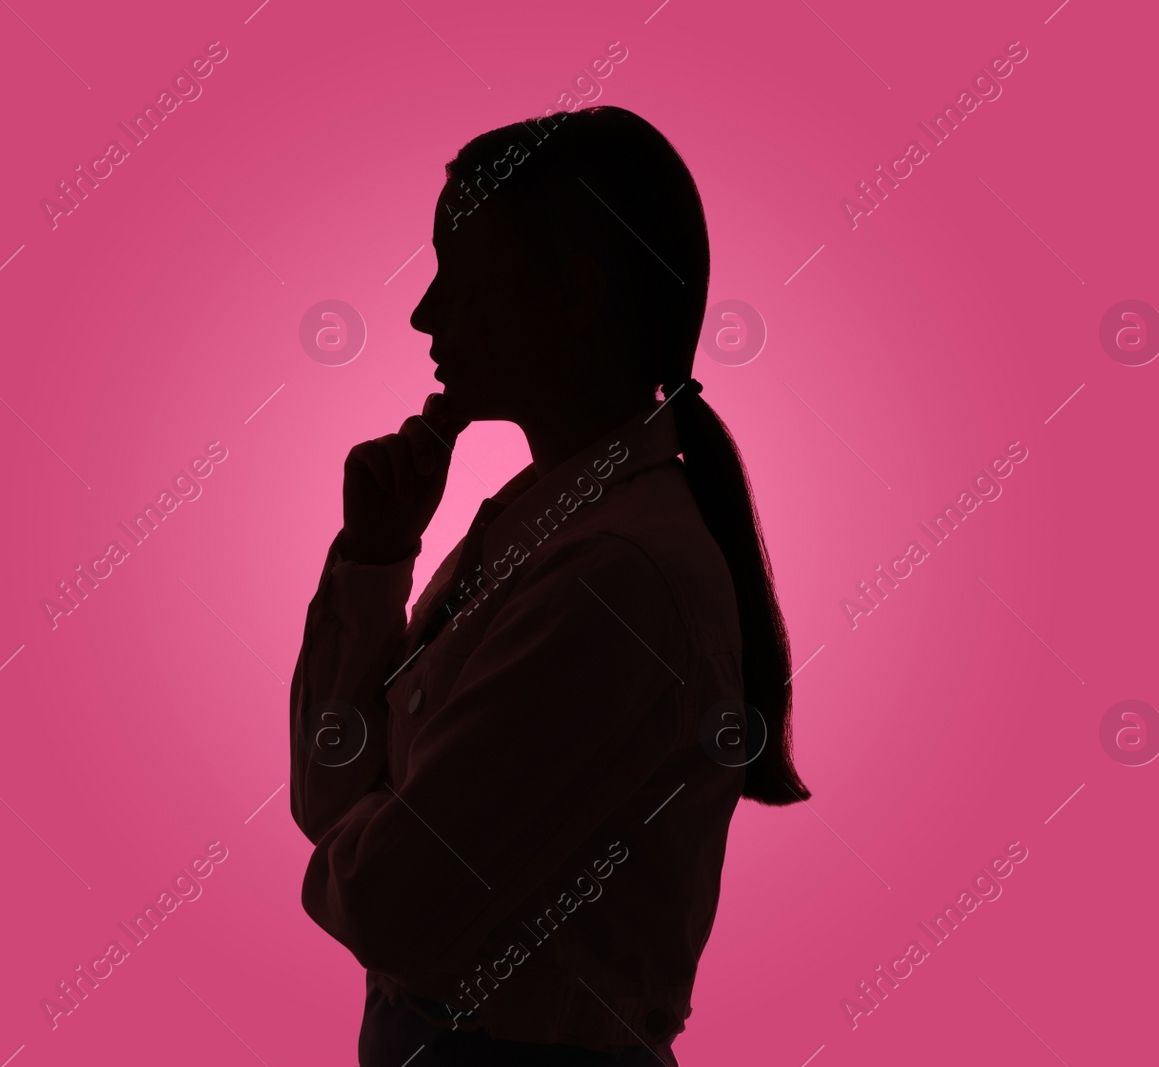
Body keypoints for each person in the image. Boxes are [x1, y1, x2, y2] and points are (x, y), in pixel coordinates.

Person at [288, 105, 811, 1066]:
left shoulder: (614, 579)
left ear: (571, 297)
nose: (424, 312)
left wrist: (360, 839)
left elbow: (394, 905)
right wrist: (372, 555)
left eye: (458, 272)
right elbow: (332, 793)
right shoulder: (540, 524)